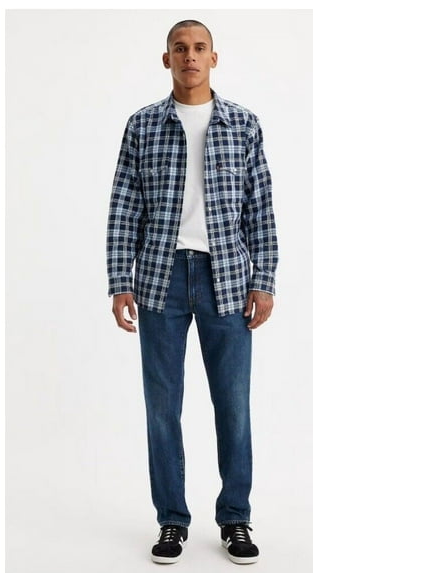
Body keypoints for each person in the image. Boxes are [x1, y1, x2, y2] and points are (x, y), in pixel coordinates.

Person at [106, 19, 278, 565]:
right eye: (180, 48)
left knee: (233, 406)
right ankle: (172, 521)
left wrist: (264, 280)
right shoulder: (142, 125)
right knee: (162, 408)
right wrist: (119, 281)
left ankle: (235, 518)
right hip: (160, 280)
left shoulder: (243, 124)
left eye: (199, 48)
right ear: (167, 59)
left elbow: (260, 207)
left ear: (214, 57)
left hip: (226, 278)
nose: (190, 56)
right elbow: (124, 206)